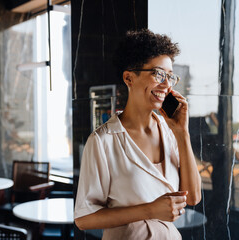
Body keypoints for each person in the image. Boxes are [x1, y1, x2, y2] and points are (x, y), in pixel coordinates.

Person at [74, 29, 201, 239]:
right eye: (158, 74)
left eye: (170, 76)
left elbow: (193, 197)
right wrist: (150, 210)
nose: (166, 84)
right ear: (129, 78)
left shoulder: (170, 133)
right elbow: (84, 219)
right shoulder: (102, 141)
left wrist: (182, 132)